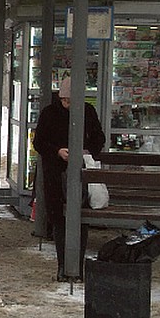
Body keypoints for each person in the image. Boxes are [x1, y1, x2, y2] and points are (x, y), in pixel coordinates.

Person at [32, 76, 105, 280]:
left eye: (71, 100)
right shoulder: (50, 113)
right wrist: (57, 151)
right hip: (55, 173)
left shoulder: (87, 112)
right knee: (59, 219)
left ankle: (77, 267)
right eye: (65, 100)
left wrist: (86, 151)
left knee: (80, 218)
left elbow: (99, 138)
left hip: (80, 173)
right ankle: (63, 265)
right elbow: (39, 142)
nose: (68, 104)